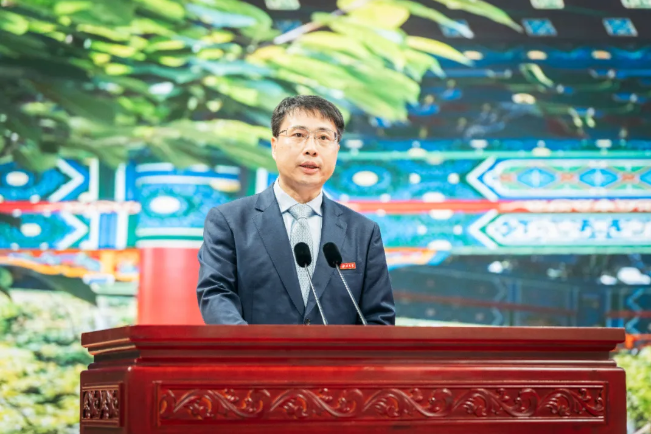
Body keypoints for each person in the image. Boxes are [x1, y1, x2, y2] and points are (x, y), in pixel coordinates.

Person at [196, 95, 395, 325]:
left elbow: (378, 318)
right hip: (255, 349)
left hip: (337, 351)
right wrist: (252, 344)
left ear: (336, 150)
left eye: (323, 137)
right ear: (274, 146)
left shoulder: (363, 232)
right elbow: (216, 295)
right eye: (299, 135)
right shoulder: (230, 221)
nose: (311, 149)